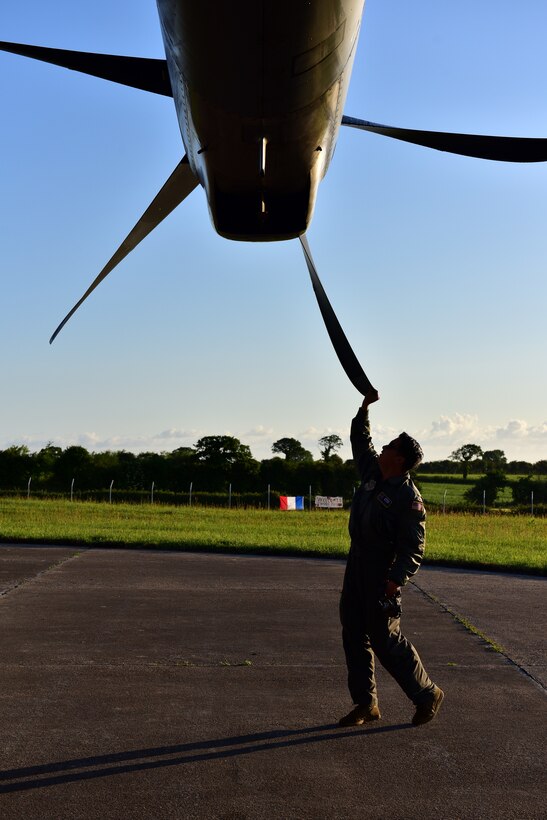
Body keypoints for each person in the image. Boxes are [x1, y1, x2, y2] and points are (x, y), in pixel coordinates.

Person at [339, 388, 444, 727]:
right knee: (353, 634)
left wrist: (395, 579)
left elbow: (414, 546)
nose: (383, 447)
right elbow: (360, 440)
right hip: (357, 564)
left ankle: (426, 693)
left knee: (385, 640)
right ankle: (366, 705)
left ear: (400, 459)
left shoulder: (408, 498)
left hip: (381, 572)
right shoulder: (372, 473)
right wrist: (364, 409)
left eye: (390, 446)